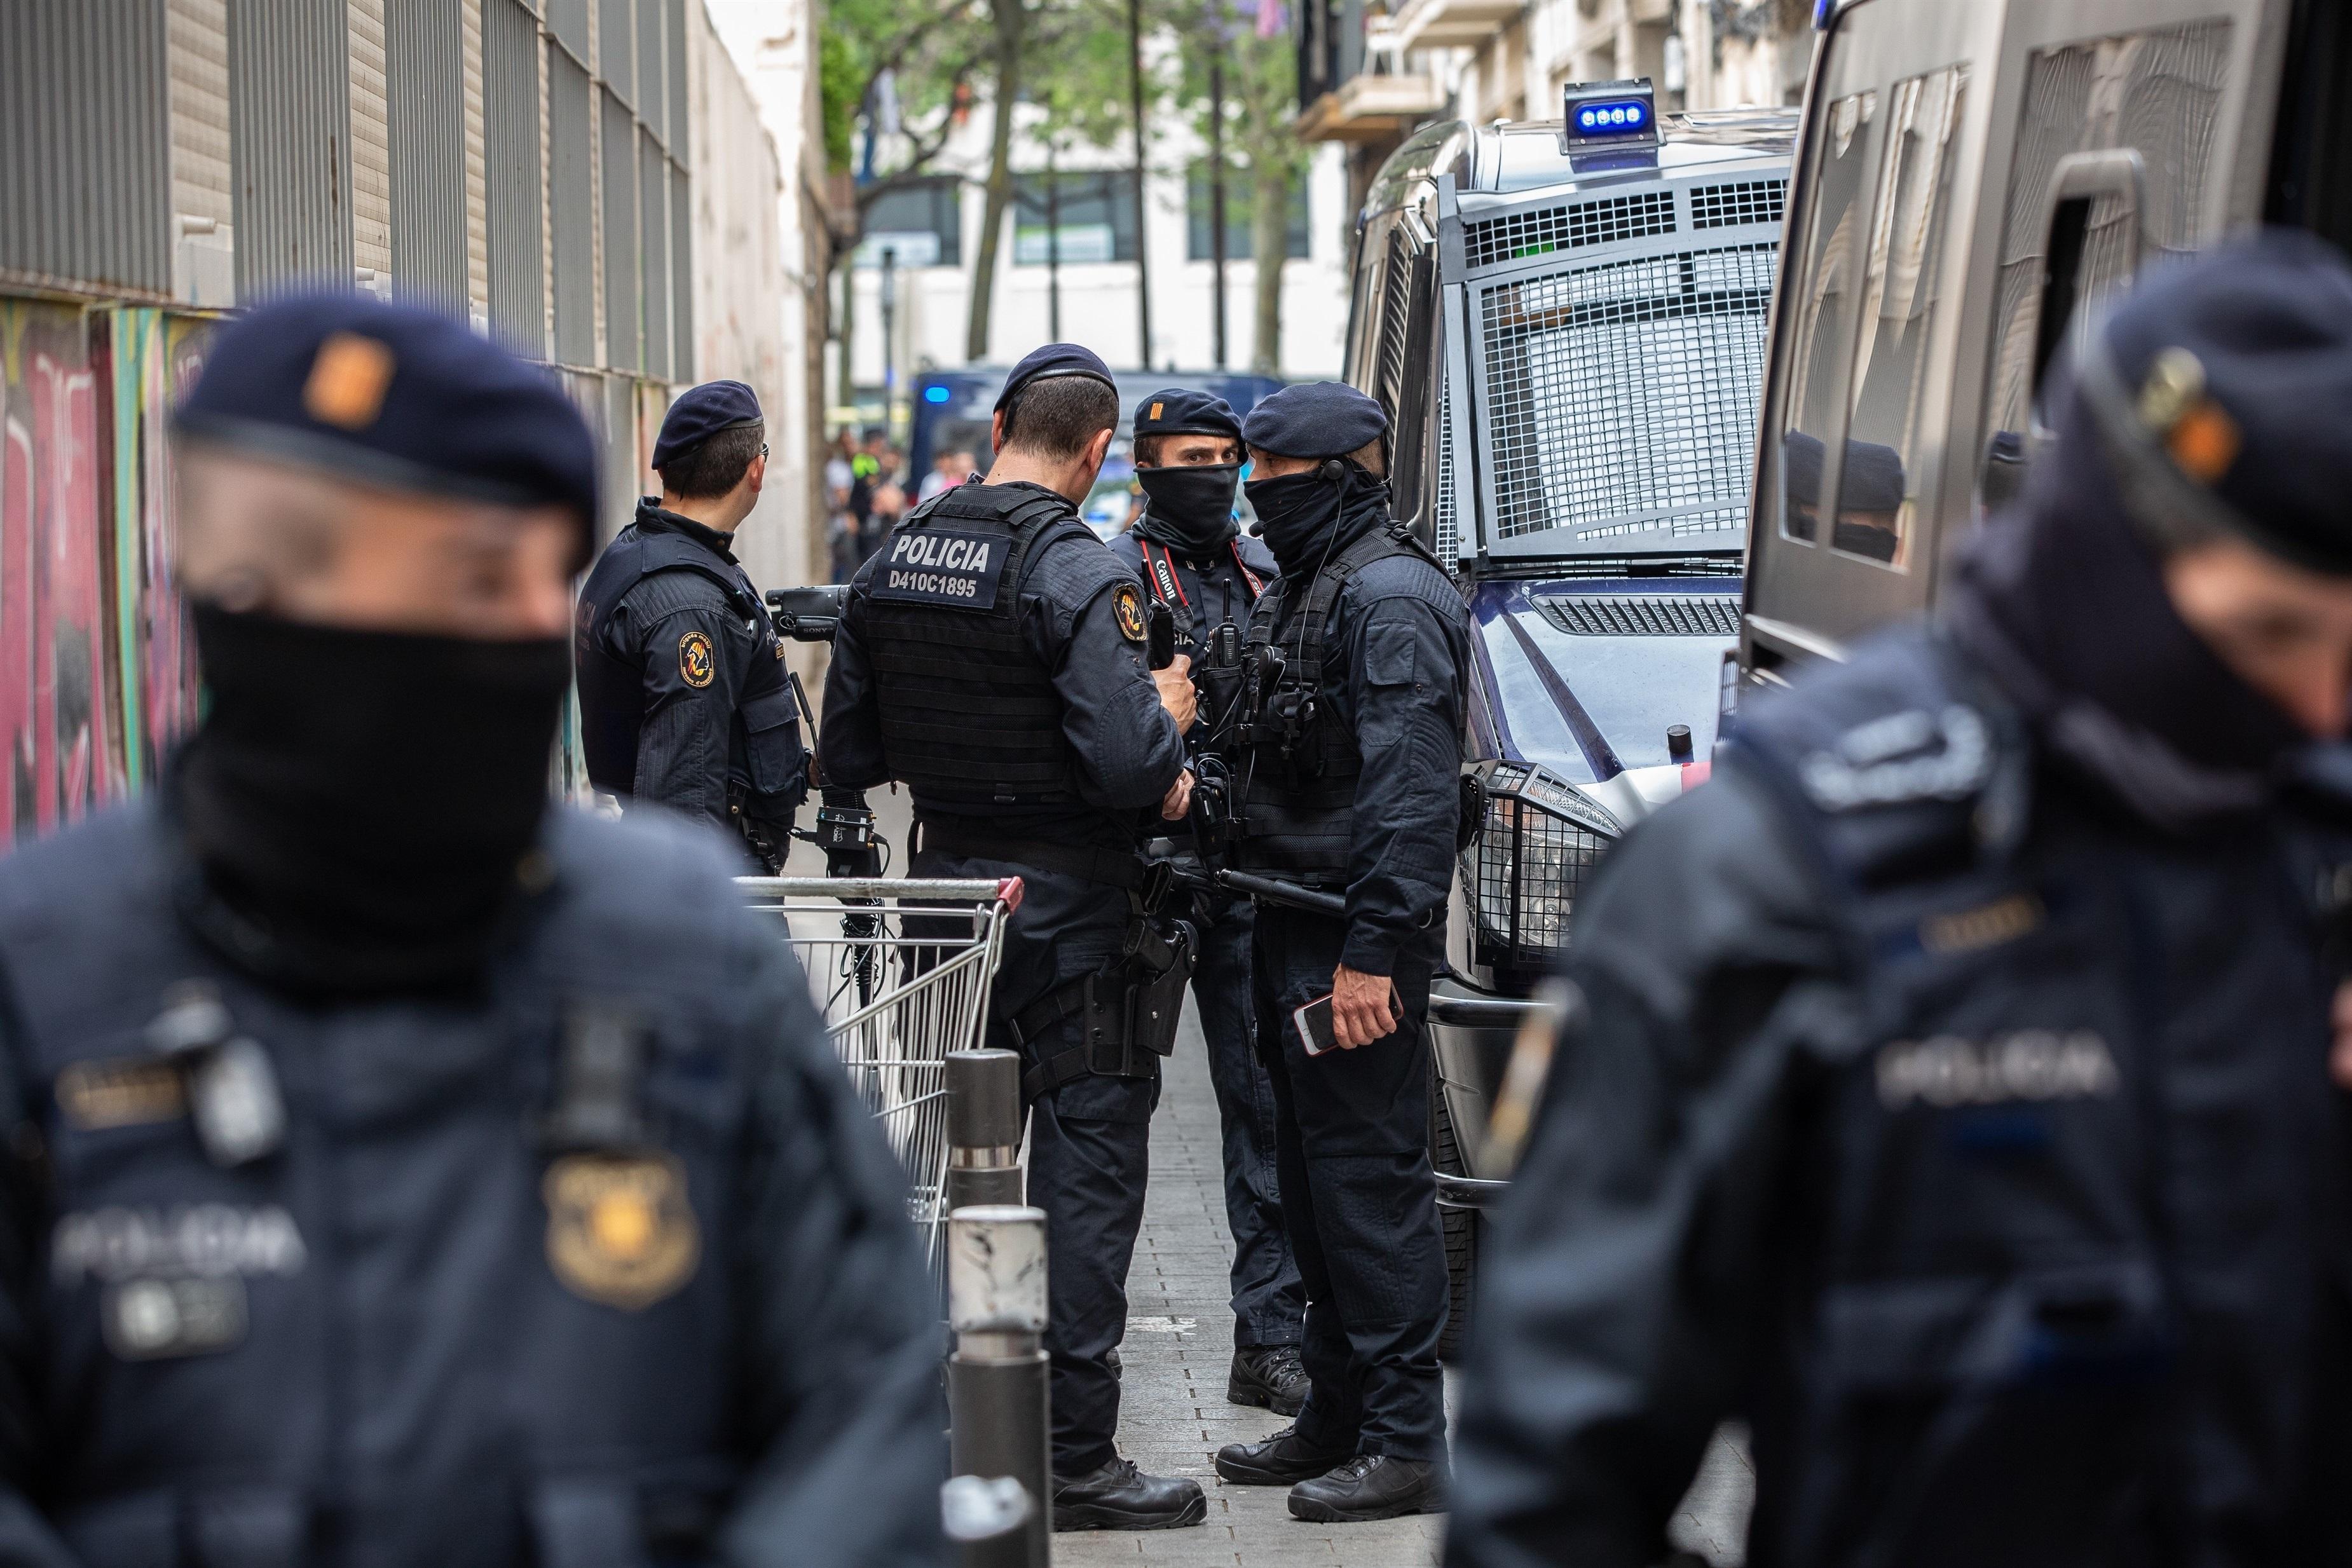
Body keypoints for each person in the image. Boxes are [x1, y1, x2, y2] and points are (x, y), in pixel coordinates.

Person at [1445, 233, 2352, 1568]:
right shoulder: (1770, 876)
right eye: (2265, 636)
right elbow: (1544, 1503)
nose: (2323, 707)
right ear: (2109, 552)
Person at [0, 291, 946, 1565]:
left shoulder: (686, 961)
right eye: (459, 580)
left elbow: (867, 1417)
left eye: (525, 583)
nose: (512, 632)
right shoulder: (44, 974)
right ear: (255, 589)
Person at [819, 343, 1208, 1532]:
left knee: (959, 1174)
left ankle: (956, 1424)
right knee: (1083, 1176)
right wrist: (1171, 717)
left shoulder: (896, 555)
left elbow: (849, 753)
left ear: (999, 430)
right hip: (1073, 913)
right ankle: (1074, 1456)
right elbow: (1132, 763)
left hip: (946, 909)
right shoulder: (1079, 569)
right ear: (1097, 453)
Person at [1208, 382, 1470, 1524]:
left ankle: (1410, 1440)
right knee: (1313, 1192)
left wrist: (1375, 949)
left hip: (1349, 941)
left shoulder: (1394, 598)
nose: (1257, 501)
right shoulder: (1315, 583)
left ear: (1345, 478)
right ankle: (1337, 1411)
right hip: (1289, 916)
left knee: (1369, 1188)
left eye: (1276, 482)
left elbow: (1411, 798)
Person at [1109, 390, 1308, 1415]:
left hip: (1242, 878)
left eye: (1229, 456)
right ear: (1146, 466)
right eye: (1193, 456)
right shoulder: (1108, 578)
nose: (1216, 473)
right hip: (1140, 879)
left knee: (1264, 1114)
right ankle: (1079, 1354)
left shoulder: (1265, 571)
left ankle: (1270, 1339)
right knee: (1105, 1117)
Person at [573, 380, 808, 869]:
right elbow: (683, 800)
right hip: (719, 889)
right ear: (756, 470)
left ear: (663, 468)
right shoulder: (692, 609)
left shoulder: (635, 552)